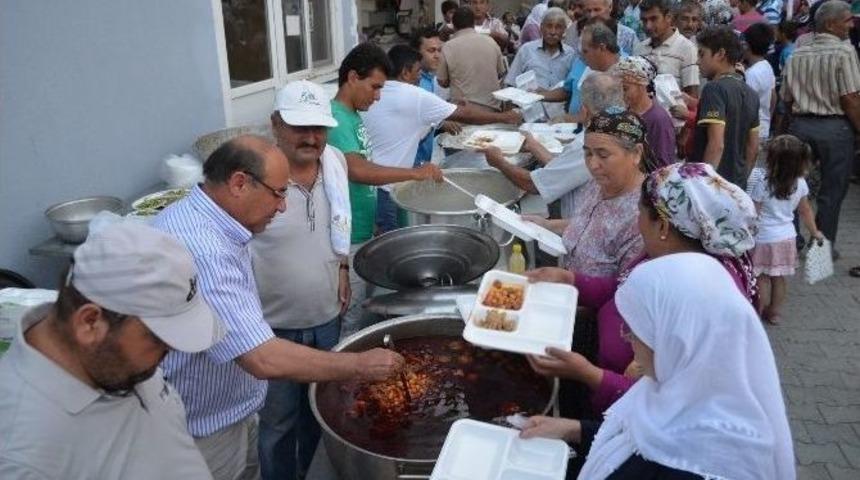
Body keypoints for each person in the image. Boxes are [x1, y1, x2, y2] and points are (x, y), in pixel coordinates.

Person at [153, 135, 405, 480]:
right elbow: (261, 357)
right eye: (278, 193)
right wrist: (359, 364)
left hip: (225, 410)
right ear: (240, 183)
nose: (283, 207)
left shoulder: (208, 218)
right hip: (202, 431)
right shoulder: (205, 248)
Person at [521, 252, 795, 480]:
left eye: (635, 329)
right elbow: (633, 437)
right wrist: (572, 429)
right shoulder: (676, 388)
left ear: (677, 339)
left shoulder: (702, 465)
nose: (624, 336)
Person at [525, 161, 760, 418]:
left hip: (628, 419)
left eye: (640, 214)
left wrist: (588, 374)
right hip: (598, 378)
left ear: (663, 227)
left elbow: (670, 406)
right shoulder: (661, 257)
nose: (637, 223)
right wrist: (570, 279)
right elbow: (619, 287)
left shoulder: (697, 301)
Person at [0, 222, 222, 479]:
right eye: (158, 338)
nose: (171, 349)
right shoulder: (21, 457)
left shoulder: (113, 359)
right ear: (90, 322)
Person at [248, 81, 352, 480]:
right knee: (277, 426)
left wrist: (343, 266)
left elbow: (339, 223)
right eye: (299, 127)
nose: (311, 138)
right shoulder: (255, 180)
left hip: (327, 318)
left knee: (318, 414)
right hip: (272, 330)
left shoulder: (335, 163)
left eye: (319, 128)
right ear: (276, 124)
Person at [328, 43, 442, 334]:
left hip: (363, 229)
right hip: (346, 239)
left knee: (359, 312)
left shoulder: (354, 116)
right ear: (353, 78)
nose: (378, 97)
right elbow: (357, 170)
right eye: (374, 87)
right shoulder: (337, 118)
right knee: (349, 319)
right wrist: (414, 174)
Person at [363, 45, 521, 232]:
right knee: (393, 243)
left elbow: (415, 119)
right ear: (405, 72)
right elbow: (465, 114)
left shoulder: (377, 94)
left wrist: (450, 108)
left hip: (368, 187)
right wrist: (504, 117)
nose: (420, 75)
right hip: (388, 188)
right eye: (417, 71)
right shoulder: (413, 95)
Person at [486, 73, 626, 219]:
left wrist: (499, 162)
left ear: (585, 110)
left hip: (584, 230)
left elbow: (534, 185)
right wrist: (532, 144)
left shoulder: (589, 144)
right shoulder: (623, 128)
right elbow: (564, 168)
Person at [780, 0, 860, 253]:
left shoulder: (798, 53)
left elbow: (786, 98)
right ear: (830, 24)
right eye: (847, 20)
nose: (852, 24)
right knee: (831, 191)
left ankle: (792, 239)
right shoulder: (844, 52)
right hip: (835, 129)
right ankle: (821, 247)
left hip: (800, 126)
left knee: (791, 185)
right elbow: (850, 98)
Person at [748, 135, 823, 324]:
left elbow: (754, 212)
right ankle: (775, 312)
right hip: (787, 238)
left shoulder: (763, 184)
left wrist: (744, 231)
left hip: (763, 238)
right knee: (779, 278)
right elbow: (805, 211)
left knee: (762, 277)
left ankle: (759, 310)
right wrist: (815, 232)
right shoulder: (800, 184)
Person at [690, 25, 760, 190]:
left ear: (720, 54)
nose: (697, 61)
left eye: (702, 54)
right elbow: (753, 147)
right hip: (736, 187)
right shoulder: (751, 93)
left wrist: (704, 186)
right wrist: (740, 184)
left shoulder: (714, 89)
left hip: (714, 186)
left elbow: (716, 144)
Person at [540, 18, 625, 120]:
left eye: (585, 51)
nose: (582, 57)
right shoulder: (583, 63)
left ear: (602, 48)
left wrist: (569, 120)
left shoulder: (625, 73)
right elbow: (567, 90)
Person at [610, 56, 677, 165]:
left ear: (642, 86)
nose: (621, 94)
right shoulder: (625, 112)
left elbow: (664, 162)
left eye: (625, 89)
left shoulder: (658, 119)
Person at [437, 6, 508, 109]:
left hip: (463, 113)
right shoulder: (491, 42)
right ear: (473, 23)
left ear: (453, 25)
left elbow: (442, 82)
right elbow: (501, 72)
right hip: (492, 110)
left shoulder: (448, 47)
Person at [635, 0, 700, 97]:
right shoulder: (639, 49)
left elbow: (692, 96)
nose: (648, 26)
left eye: (654, 19)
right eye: (644, 20)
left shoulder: (687, 49)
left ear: (668, 17)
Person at [505, 7, 575, 89]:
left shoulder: (570, 54)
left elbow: (571, 88)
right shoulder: (526, 50)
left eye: (558, 27)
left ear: (564, 30)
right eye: (549, 26)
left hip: (559, 101)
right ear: (541, 27)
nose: (553, 32)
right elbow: (511, 82)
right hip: (528, 101)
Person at [410, 26, 449, 167]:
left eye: (439, 50)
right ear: (416, 54)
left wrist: (442, 122)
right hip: (410, 164)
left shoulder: (429, 78)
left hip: (423, 161)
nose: (437, 55)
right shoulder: (415, 82)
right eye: (431, 51)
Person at [743, 23, 776, 150]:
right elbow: (773, 97)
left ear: (747, 45)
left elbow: (745, 106)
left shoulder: (751, 75)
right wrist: (767, 117)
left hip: (751, 132)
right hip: (763, 127)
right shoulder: (767, 66)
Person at [564, 0, 639, 55]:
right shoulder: (574, 31)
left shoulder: (628, 36)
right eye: (588, 11)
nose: (592, 15)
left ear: (610, 7)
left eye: (597, 10)